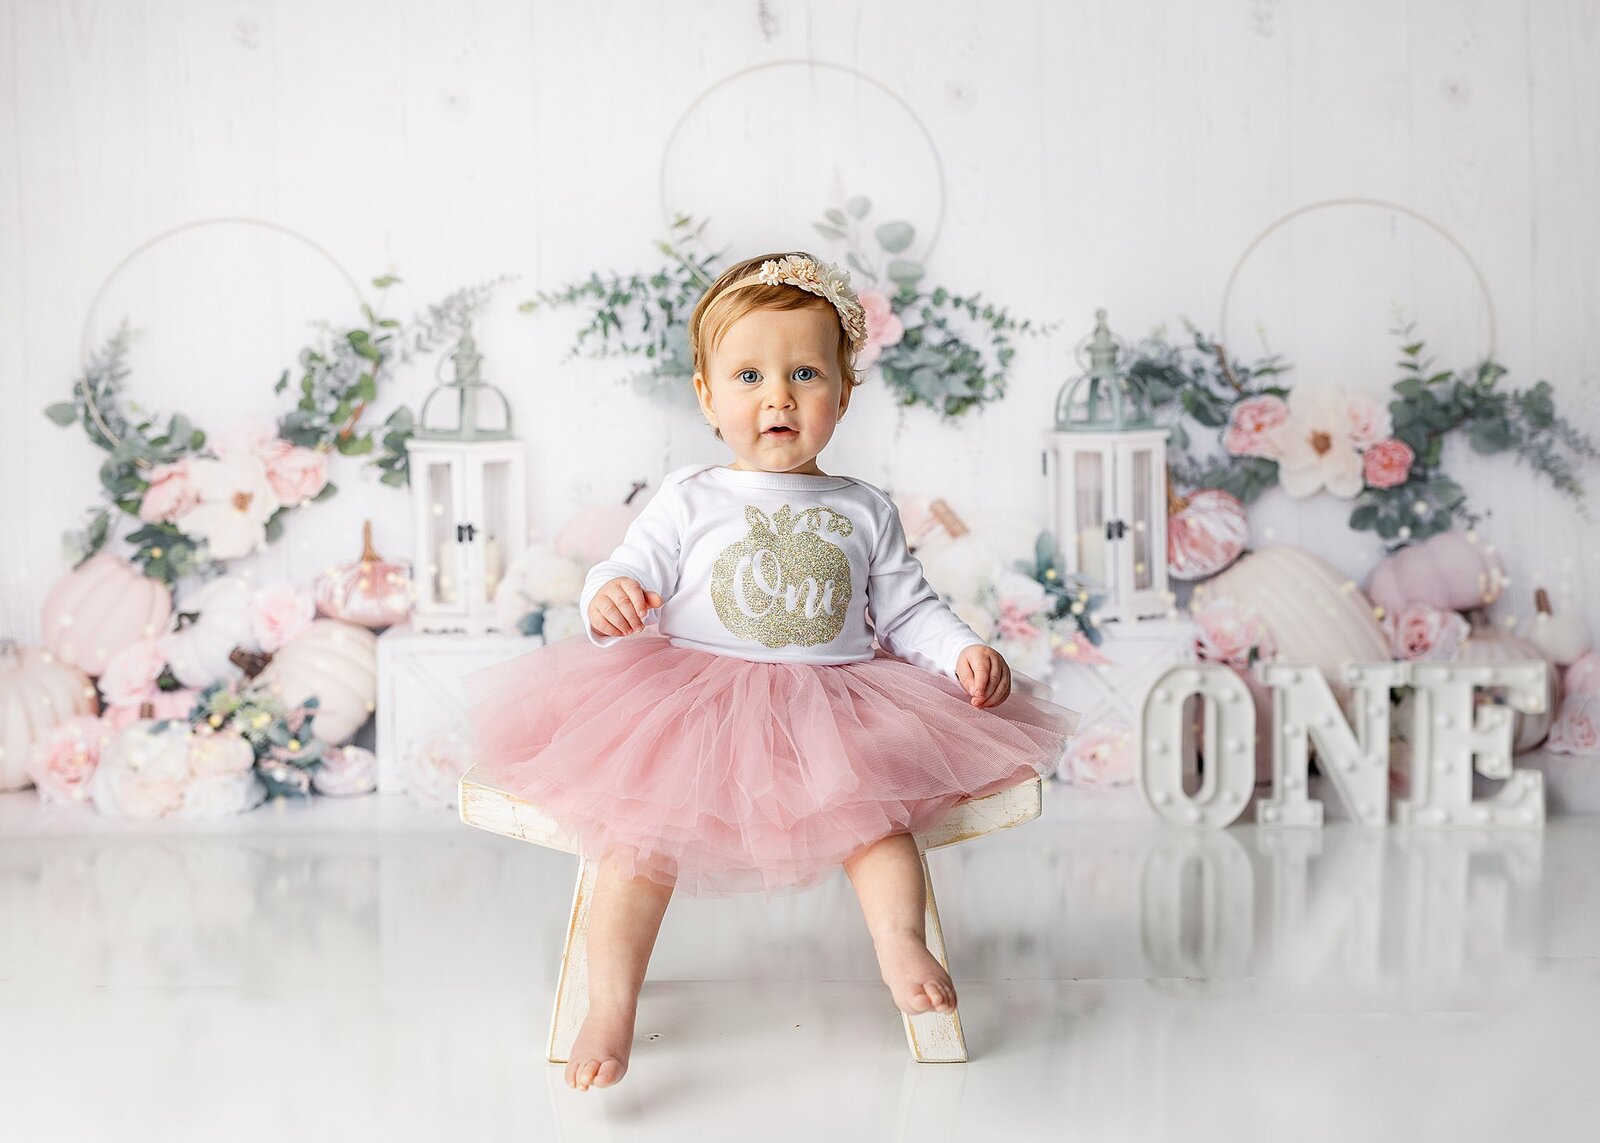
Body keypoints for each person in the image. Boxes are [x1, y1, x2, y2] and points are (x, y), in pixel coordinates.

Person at [464, 251, 1080, 1092]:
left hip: (837, 709)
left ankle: (900, 941)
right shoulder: (691, 495)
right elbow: (623, 566)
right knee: (635, 849)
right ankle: (610, 1001)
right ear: (708, 395)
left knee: (878, 827)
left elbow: (906, 612)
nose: (777, 395)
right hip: (693, 706)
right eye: (749, 373)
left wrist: (963, 649)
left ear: (843, 393)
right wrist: (611, 597)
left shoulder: (864, 507)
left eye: (803, 372)